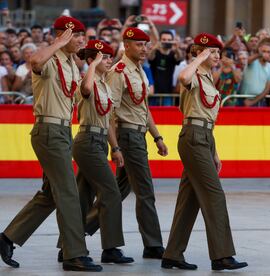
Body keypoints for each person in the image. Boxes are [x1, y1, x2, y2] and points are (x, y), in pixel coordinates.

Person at [0, 16, 102, 272]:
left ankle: (7, 238)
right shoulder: (49, 58)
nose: (82, 40)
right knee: (68, 192)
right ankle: (73, 254)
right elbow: (33, 61)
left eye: (82, 36)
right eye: (77, 36)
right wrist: (58, 43)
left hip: (63, 131)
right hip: (49, 130)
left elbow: (85, 93)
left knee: (50, 194)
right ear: (64, 35)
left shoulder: (70, 63)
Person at [161, 33, 248, 271]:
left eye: (218, 52)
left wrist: (215, 151)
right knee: (214, 195)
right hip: (193, 137)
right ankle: (221, 256)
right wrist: (199, 58)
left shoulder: (209, 78)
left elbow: (209, 120)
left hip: (204, 138)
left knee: (189, 200)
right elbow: (182, 76)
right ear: (200, 52)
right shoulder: (194, 73)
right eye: (212, 52)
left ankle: (172, 254)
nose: (217, 56)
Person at [83, 27, 168, 260]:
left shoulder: (139, 70)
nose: (144, 49)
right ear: (126, 45)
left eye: (146, 44)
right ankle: (153, 244)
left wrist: (157, 136)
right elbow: (110, 113)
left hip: (138, 134)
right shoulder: (118, 72)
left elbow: (144, 108)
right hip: (127, 136)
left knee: (118, 190)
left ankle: (78, 230)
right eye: (139, 45)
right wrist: (115, 147)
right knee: (145, 191)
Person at [55, 39, 134, 264]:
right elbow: (86, 90)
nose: (109, 60)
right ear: (92, 59)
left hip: (99, 141)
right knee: (111, 193)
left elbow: (108, 119)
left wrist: (115, 147)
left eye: (109, 57)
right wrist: (92, 65)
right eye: (104, 57)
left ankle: (68, 245)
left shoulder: (105, 84)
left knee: (83, 198)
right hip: (87, 140)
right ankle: (110, 248)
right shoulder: (86, 79)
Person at [240, 40, 270, 106]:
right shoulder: (253, 61)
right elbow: (248, 60)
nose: (266, 54)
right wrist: (259, 54)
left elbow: (267, 90)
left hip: (260, 101)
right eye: (264, 51)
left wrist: (252, 102)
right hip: (243, 99)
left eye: (269, 52)